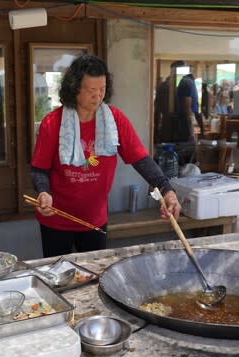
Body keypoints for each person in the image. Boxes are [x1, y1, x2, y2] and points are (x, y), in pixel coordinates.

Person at [30, 54, 181, 257]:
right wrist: (42, 191)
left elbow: (141, 160)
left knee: (95, 277)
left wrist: (166, 188)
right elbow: (39, 169)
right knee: (57, 278)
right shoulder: (53, 123)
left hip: (94, 218)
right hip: (56, 218)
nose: (98, 96)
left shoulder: (114, 120)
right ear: (74, 89)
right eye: (91, 90)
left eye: (102, 89)